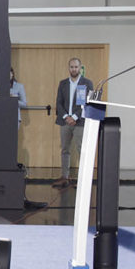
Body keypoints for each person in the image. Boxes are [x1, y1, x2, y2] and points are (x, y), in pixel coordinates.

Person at [52, 57, 93, 189]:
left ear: (80, 68)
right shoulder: (63, 83)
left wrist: (74, 117)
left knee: (81, 149)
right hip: (65, 121)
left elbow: (87, 103)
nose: (74, 69)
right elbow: (59, 102)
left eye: (76, 67)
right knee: (65, 149)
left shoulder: (87, 83)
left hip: (79, 122)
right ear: (68, 68)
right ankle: (65, 177)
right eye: (71, 67)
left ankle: (83, 179)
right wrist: (66, 116)